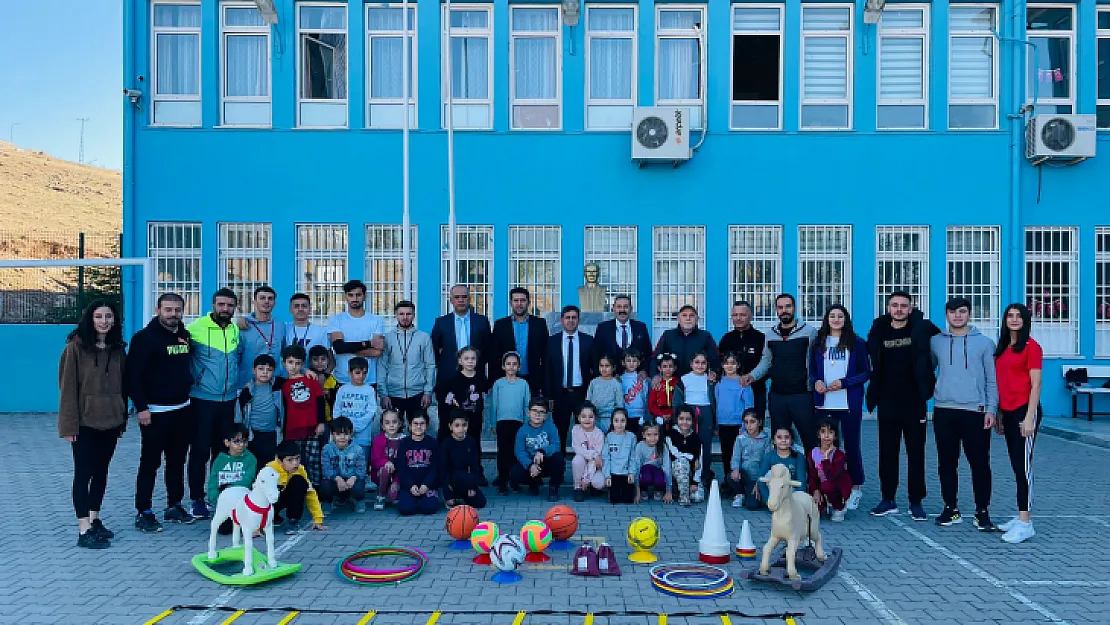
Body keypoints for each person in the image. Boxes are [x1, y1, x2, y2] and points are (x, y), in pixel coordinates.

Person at [59, 299, 128, 549]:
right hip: (84, 423)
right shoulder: (75, 348)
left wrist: (122, 418)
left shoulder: (118, 348)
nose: (104, 321)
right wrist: (69, 427)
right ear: (90, 318)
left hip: (111, 421)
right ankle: (83, 529)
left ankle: (95, 519)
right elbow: (67, 389)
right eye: (99, 316)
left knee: (101, 472)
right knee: (83, 473)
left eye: (108, 316)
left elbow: (123, 386)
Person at [866, 290, 940, 520]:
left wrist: (928, 378)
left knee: (915, 453)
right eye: (894, 305)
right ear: (888, 308)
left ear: (910, 308)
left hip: (914, 401)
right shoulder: (879, 329)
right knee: (887, 452)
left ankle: (916, 501)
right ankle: (888, 499)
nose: (898, 309)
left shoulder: (923, 328)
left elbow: (941, 350)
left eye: (903, 305)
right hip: (887, 401)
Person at [129, 293, 196, 533]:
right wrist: (142, 407)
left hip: (182, 409)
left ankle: (174, 506)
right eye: (168, 310)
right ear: (158, 310)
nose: (173, 314)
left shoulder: (184, 336)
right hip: (154, 413)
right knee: (150, 463)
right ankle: (144, 511)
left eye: (177, 310)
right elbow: (133, 376)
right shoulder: (144, 339)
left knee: (177, 462)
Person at [931, 297, 999, 531]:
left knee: (979, 463)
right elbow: (924, 369)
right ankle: (950, 508)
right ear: (946, 314)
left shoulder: (985, 343)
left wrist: (991, 409)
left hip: (976, 411)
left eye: (962, 311)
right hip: (944, 410)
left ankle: (982, 511)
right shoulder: (936, 342)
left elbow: (992, 379)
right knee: (946, 463)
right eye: (952, 311)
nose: (957, 316)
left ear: (969, 313)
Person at [187, 288, 246, 520]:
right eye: (221, 304)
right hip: (202, 400)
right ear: (213, 304)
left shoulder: (233, 328)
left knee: (222, 452)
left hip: (228, 401)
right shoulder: (195, 329)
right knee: (200, 451)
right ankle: (196, 499)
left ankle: (219, 494)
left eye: (230, 305)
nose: (225, 309)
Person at [808, 305, 869, 511]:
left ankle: (855, 488)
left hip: (848, 403)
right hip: (824, 403)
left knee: (851, 446)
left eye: (840, 316)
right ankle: (824, 489)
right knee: (825, 447)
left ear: (846, 319)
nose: (835, 319)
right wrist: (816, 382)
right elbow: (812, 371)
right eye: (832, 316)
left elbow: (865, 373)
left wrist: (844, 383)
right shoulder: (818, 343)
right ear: (826, 319)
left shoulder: (857, 343)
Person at [994, 303, 1043, 544]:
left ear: (1025, 320)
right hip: (1009, 411)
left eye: (1018, 316)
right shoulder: (1004, 347)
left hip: (1025, 411)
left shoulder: (1032, 348)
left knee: (1024, 468)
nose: (1014, 319)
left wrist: (1029, 418)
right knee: (1015, 466)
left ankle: (1026, 522)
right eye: (1010, 316)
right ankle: (1020, 515)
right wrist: (1001, 415)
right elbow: (1003, 383)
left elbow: (1036, 385)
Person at [431, 284, 492, 433]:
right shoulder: (441, 322)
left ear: (469, 299)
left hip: (474, 380)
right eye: (457, 297)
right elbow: (434, 349)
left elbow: (488, 349)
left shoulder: (481, 321)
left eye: (464, 297)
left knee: (474, 426)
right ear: (450, 300)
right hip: (448, 380)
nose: (461, 300)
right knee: (446, 424)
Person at [764, 293, 819, 452]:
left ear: (794, 308)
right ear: (776, 310)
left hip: (802, 396)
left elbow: (816, 362)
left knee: (810, 440)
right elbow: (766, 362)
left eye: (787, 306)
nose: (784, 310)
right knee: (780, 442)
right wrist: (750, 376)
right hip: (777, 397)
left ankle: (814, 475)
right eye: (780, 307)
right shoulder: (770, 335)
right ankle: (782, 475)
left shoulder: (809, 332)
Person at [545, 305, 596, 450]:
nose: (571, 321)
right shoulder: (552, 342)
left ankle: (585, 468)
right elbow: (547, 370)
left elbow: (594, 369)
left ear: (578, 320)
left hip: (582, 393)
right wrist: (549, 397)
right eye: (567, 318)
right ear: (562, 320)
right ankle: (559, 469)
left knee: (586, 433)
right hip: (560, 394)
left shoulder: (588, 341)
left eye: (574, 318)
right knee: (559, 433)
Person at [378, 300, 435, 425]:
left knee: (418, 430)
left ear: (414, 315)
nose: (405, 317)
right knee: (392, 431)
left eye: (408, 314)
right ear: (396, 316)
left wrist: (428, 392)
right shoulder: (387, 338)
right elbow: (382, 366)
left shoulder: (424, 338)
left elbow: (430, 366)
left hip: (418, 393)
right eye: (401, 314)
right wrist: (383, 394)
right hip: (393, 393)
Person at [277, 345, 327, 486]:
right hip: (292, 430)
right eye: (290, 362)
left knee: (314, 460)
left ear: (303, 364)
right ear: (284, 363)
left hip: (311, 428)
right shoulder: (282, 383)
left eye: (298, 363)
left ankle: (315, 489)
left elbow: (320, 401)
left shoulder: (311, 380)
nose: (294, 366)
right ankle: (294, 487)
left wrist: (321, 422)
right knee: (292, 461)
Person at [717, 301, 771, 418]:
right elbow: (719, 364)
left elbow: (767, 365)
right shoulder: (726, 339)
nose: (738, 318)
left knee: (754, 430)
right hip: (731, 394)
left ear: (751, 316)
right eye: (735, 315)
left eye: (743, 315)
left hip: (756, 391)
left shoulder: (761, 338)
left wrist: (753, 378)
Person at [490, 288, 548, 396]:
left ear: (528, 302)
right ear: (510, 303)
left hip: (533, 379)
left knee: (532, 411)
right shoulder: (500, 325)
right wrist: (493, 382)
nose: (519, 304)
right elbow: (494, 356)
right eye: (516, 300)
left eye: (523, 300)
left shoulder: (540, 324)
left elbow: (545, 354)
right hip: (507, 379)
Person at [328, 279, 385, 387]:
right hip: (342, 379)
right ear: (346, 297)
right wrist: (368, 344)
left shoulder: (376, 320)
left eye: (358, 295)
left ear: (365, 296)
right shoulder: (336, 319)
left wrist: (348, 348)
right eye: (351, 295)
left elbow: (377, 352)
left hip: (368, 380)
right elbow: (339, 348)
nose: (354, 299)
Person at [673, 352, 716, 494]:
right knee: (688, 445)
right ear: (691, 364)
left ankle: (703, 480)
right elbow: (677, 401)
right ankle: (686, 479)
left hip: (706, 412)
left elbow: (715, 400)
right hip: (688, 412)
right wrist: (677, 418)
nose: (700, 365)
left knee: (705, 447)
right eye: (697, 362)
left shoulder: (710, 379)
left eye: (703, 363)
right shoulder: (684, 379)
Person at [489, 352, 532, 494]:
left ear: (519, 367)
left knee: (516, 452)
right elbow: (493, 405)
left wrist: (527, 423)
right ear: (503, 366)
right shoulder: (498, 384)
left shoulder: (523, 384)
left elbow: (527, 405)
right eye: (508, 364)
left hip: (518, 422)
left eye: (514, 364)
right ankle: (502, 482)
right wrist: (493, 423)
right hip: (502, 422)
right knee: (503, 453)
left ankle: (515, 480)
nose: (511, 367)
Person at [206, 423, 258, 535]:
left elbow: (247, 480)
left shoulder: (250, 459)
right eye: (236, 441)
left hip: (242, 500)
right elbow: (213, 482)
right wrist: (215, 499)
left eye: (244, 441)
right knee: (223, 530)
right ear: (227, 442)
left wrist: (228, 490)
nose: (241, 445)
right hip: (224, 502)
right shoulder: (219, 460)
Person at [266, 441, 327, 534]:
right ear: (279, 461)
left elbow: (311, 494)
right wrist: (255, 528)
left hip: (286, 497)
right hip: (270, 502)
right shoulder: (269, 470)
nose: (295, 463)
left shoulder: (300, 469)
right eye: (290, 460)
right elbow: (258, 498)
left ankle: (293, 521)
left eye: (297, 458)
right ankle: (272, 517)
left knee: (299, 481)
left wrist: (318, 519)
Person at [716, 351, 756, 496]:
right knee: (726, 454)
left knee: (738, 455)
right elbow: (717, 402)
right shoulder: (719, 382)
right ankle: (728, 482)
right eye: (727, 363)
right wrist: (716, 423)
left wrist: (745, 426)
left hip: (738, 426)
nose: (730, 366)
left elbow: (749, 405)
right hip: (723, 424)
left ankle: (740, 484)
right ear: (722, 365)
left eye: (733, 363)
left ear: (738, 365)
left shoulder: (743, 383)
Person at [511, 399, 565, 502]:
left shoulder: (551, 427)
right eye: (534, 411)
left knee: (559, 458)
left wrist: (543, 451)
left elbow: (556, 445)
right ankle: (533, 483)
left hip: (546, 462)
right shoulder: (522, 430)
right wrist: (530, 465)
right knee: (515, 472)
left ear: (546, 415)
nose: (537, 414)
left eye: (541, 412)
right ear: (528, 413)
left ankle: (553, 488)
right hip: (531, 463)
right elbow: (519, 451)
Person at [235, 354, 283, 466]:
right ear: (254, 370)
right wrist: (240, 433)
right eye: (261, 369)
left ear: (274, 371)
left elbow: (295, 375)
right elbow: (239, 413)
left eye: (269, 370)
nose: (265, 372)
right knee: (252, 465)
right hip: (253, 435)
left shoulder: (278, 386)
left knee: (269, 466)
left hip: (271, 434)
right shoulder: (247, 392)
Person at [236, 286, 286, 388]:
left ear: (274, 303)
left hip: (273, 386)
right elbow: (235, 357)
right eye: (262, 298)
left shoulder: (280, 325)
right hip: (247, 385)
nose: (266, 301)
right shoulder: (243, 326)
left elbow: (286, 354)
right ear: (254, 302)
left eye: (270, 299)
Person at [319, 417, 369, 514]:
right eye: (338, 434)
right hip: (335, 480)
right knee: (324, 484)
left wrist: (354, 477)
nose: (342, 437)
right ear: (332, 435)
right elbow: (326, 469)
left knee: (360, 484)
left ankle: (358, 500)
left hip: (351, 480)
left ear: (351, 434)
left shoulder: (358, 449)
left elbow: (362, 470)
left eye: (346, 434)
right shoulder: (327, 449)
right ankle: (327, 502)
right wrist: (337, 478)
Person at [442, 345, 489, 447]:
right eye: (466, 358)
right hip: (459, 422)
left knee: (475, 444)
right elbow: (448, 402)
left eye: (473, 358)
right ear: (460, 361)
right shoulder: (453, 380)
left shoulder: (482, 378)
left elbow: (484, 395)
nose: (470, 361)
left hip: (476, 420)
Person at [440, 410, 488, 509]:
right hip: (452, 481)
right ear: (450, 426)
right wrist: (447, 494)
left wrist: (473, 487)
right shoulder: (446, 444)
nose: (461, 429)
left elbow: (475, 466)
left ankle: (463, 498)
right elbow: (443, 470)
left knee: (480, 503)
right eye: (457, 425)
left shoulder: (471, 441)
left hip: (467, 480)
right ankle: (453, 497)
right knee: (459, 478)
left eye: (464, 425)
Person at [396, 411, 441, 516]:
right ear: (410, 426)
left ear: (427, 425)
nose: (419, 426)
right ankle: (412, 500)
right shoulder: (403, 444)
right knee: (405, 510)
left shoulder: (433, 443)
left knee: (430, 508)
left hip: (428, 486)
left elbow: (435, 467)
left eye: (422, 423)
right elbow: (402, 468)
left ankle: (424, 500)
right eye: (415, 423)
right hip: (409, 486)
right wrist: (410, 485)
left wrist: (427, 485)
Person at [807, 418, 852, 522]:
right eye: (823, 432)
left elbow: (832, 476)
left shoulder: (839, 455)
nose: (826, 436)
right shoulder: (813, 453)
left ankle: (839, 507)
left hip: (837, 487)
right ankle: (825, 503)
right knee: (814, 513)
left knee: (827, 485)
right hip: (821, 487)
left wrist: (826, 458)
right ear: (818, 434)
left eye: (830, 432)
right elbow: (812, 475)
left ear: (835, 436)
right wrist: (815, 490)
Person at [593, 295, 653, 370]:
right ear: (613, 309)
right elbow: (595, 354)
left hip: (635, 377)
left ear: (631, 309)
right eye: (619, 307)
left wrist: (644, 371)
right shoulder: (603, 328)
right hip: (610, 377)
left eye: (626, 307)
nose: (622, 310)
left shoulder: (641, 327)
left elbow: (648, 353)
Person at [334, 357, 380, 450]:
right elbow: (337, 409)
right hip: (343, 435)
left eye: (364, 373)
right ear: (350, 373)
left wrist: (358, 426)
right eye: (358, 373)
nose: (361, 376)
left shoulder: (369, 390)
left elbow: (371, 411)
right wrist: (340, 427)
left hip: (363, 436)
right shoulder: (342, 389)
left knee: (361, 462)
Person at [728, 408, 770, 510]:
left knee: (752, 506)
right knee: (730, 476)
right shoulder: (740, 439)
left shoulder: (765, 440)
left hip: (758, 476)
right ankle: (740, 493)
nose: (749, 425)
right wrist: (735, 469)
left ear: (759, 422)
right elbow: (736, 457)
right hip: (744, 474)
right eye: (746, 422)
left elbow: (767, 461)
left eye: (752, 422)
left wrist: (760, 481)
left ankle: (751, 494)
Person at [755, 427, 808, 507]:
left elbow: (801, 482)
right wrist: (768, 500)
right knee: (769, 474)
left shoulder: (798, 457)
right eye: (779, 437)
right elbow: (761, 479)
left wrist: (796, 502)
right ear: (774, 441)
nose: (783, 440)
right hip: (773, 493)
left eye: (787, 437)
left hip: (791, 492)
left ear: (792, 440)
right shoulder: (769, 456)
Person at [370, 408, 406, 510]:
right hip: (381, 474)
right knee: (386, 469)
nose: (391, 425)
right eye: (387, 422)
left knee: (394, 497)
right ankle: (380, 496)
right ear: (382, 425)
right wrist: (386, 462)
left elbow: (405, 464)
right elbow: (374, 461)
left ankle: (391, 491)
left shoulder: (404, 440)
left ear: (400, 424)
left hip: (398, 475)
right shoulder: (378, 440)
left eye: (394, 422)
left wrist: (396, 480)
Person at [666, 406, 703, 506]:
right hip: (674, 471)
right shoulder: (670, 435)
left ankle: (685, 489)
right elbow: (675, 454)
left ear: (693, 420)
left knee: (698, 497)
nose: (685, 422)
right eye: (681, 419)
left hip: (690, 473)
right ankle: (683, 497)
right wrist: (692, 458)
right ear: (676, 419)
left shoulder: (696, 438)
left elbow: (700, 461)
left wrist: (695, 482)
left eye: (688, 419)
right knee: (682, 462)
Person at [570, 402, 606, 501]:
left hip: (594, 466)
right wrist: (593, 454)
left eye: (590, 417)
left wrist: (586, 479)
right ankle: (578, 488)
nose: (587, 419)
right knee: (577, 460)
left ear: (595, 418)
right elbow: (578, 449)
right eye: (583, 416)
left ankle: (590, 486)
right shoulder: (575, 430)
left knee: (599, 483)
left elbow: (596, 460)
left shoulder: (599, 434)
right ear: (578, 418)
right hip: (582, 461)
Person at [603, 408, 638, 505]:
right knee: (614, 500)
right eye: (616, 421)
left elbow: (633, 457)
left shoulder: (631, 437)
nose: (619, 424)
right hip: (613, 473)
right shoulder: (609, 437)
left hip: (626, 473)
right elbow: (606, 458)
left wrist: (631, 473)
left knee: (627, 500)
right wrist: (607, 476)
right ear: (612, 422)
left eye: (622, 421)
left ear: (627, 422)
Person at [634, 424, 672, 504]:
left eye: (655, 434)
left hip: (657, 471)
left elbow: (667, 467)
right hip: (644, 471)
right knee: (646, 473)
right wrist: (637, 492)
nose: (652, 438)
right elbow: (637, 467)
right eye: (649, 435)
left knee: (660, 476)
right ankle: (643, 490)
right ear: (643, 435)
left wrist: (669, 491)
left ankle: (659, 490)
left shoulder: (663, 446)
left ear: (659, 434)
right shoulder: (639, 446)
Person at [586, 354, 623, 432]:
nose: (604, 369)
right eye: (601, 366)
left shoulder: (616, 384)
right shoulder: (594, 382)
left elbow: (620, 405)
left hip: (609, 419)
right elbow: (588, 402)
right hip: (594, 419)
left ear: (613, 368)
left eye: (607, 366)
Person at [619, 349, 649, 437]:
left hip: (640, 414)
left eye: (634, 361)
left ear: (639, 363)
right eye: (628, 361)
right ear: (623, 363)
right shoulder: (620, 379)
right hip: (626, 414)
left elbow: (646, 395)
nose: (631, 363)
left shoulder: (642, 378)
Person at [647, 353, 679, 428]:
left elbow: (680, 402)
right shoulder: (657, 384)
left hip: (675, 415)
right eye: (664, 366)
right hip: (659, 415)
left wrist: (672, 414)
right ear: (659, 368)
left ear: (675, 368)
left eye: (670, 366)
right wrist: (661, 414)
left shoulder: (678, 383)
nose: (668, 369)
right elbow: (651, 404)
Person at [308, 345, 339, 422]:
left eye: (323, 359)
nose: (319, 362)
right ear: (310, 361)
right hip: (309, 419)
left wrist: (329, 394)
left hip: (328, 418)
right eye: (315, 359)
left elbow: (337, 401)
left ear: (328, 360)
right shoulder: (306, 378)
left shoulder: (332, 380)